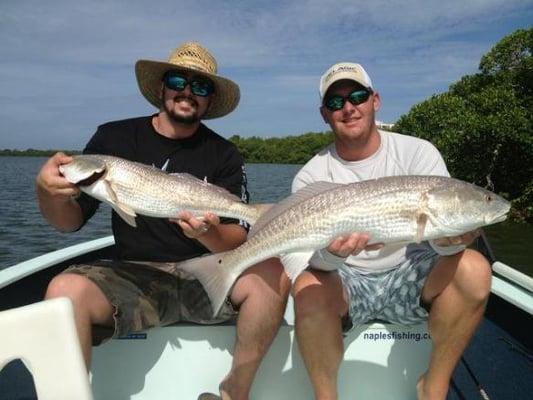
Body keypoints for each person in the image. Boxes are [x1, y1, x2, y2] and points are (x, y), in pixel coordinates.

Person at [36, 41, 289, 400]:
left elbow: (236, 240)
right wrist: (47, 190)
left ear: (209, 100)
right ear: (161, 88)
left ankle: (236, 392)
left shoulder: (225, 154)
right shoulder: (114, 138)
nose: (187, 92)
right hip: (134, 276)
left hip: (207, 271)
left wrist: (208, 233)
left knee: (274, 272)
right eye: (177, 81)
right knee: (63, 291)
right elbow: (68, 223)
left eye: (200, 87)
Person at [291, 62, 491, 400]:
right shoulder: (310, 177)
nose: (349, 108)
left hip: (411, 271)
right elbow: (304, 261)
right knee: (307, 285)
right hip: (348, 280)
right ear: (324, 114)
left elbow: (440, 242)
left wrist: (450, 243)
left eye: (357, 96)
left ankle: (434, 387)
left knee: (474, 268)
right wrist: (332, 254)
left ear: (375, 101)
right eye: (336, 102)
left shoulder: (418, 152)